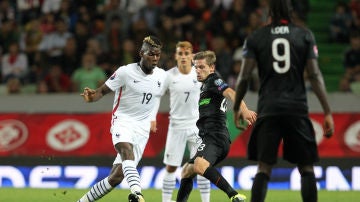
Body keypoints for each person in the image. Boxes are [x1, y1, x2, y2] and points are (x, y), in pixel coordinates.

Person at [233, 1, 335, 202]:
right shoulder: (304, 35)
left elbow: (244, 77)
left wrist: (237, 107)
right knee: (306, 167)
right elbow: (314, 75)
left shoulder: (256, 37)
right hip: (296, 108)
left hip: (269, 108)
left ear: (269, 14)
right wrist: (328, 112)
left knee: (264, 167)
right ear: (291, 13)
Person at [77, 35, 166, 202]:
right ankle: (137, 194)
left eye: (157, 55)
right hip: (123, 121)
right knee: (126, 151)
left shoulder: (162, 76)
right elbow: (101, 91)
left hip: (142, 128)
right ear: (141, 53)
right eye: (151, 54)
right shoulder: (125, 72)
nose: (154, 58)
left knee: (116, 177)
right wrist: (91, 97)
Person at [176, 50, 257, 202]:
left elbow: (231, 93)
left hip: (215, 137)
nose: (198, 71)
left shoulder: (214, 80)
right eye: (196, 67)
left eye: (202, 67)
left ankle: (234, 195)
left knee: (199, 166)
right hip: (211, 136)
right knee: (187, 171)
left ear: (211, 68)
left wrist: (244, 110)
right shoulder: (206, 85)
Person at [160, 41, 211, 202]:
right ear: (176, 56)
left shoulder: (199, 74)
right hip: (176, 127)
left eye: (186, 53)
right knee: (171, 167)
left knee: (201, 166)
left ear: (192, 56)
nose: (183, 56)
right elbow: (155, 96)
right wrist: (151, 118)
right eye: (180, 54)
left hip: (197, 127)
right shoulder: (168, 76)